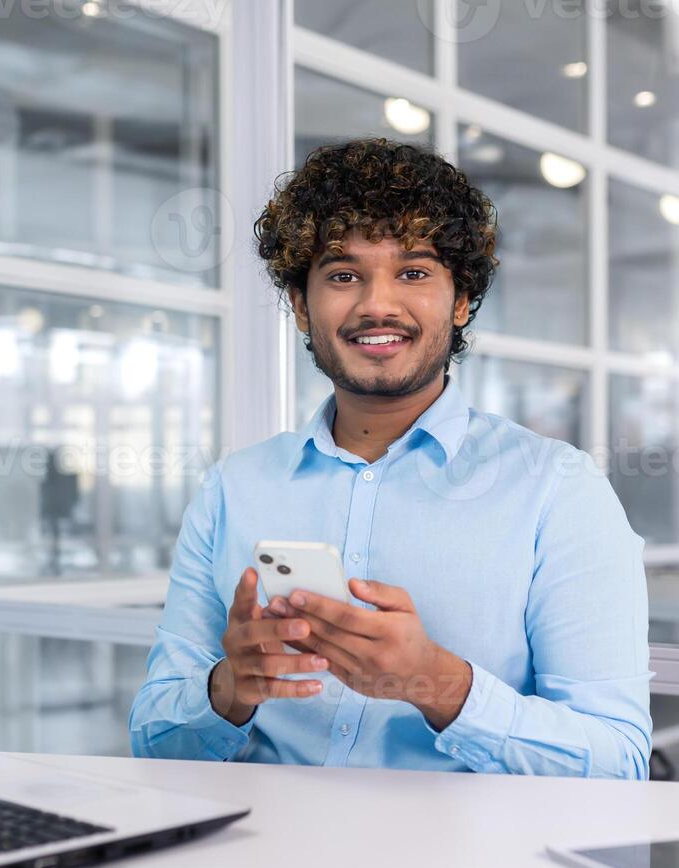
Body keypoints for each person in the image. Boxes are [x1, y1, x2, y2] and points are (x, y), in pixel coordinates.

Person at [129, 138, 651, 778]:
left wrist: (437, 684)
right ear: (300, 306)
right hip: (259, 856)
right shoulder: (233, 489)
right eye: (343, 275)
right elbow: (153, 745)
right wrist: (229, 689)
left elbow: (619, 761)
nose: (378, 304)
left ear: (461, 302)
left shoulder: (557, 489)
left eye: (414, 272)